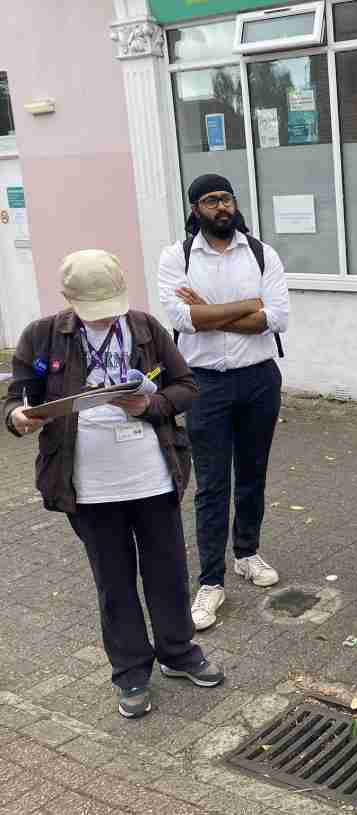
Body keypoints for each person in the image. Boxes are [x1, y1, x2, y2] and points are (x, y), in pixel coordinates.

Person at [3, 250, 224, 719]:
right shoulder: (42, 336)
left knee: (167, 572)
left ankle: (179, 654)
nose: (105, 314)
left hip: (152, 476)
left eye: (112, 303)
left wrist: (153, 406)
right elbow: (17, 397)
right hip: (90, 486)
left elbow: (185, 386)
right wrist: (17, 417)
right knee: (114, 581)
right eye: (93, 306)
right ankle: (130, 673)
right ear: (68, 299)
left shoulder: (145, 327)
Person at [158, 174, 290, 631]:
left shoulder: (260, 252)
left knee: (252, 474)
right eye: (211, 200)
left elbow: (277, 318)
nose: (221, 207)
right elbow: (182, 319)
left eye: (227, 198)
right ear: (196, 208)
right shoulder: (176, 257)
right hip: (204, 385)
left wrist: (211, 312)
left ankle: (247, 553)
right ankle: (211, 580)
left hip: (259, 380)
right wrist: (246, 305)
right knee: (213, 484)